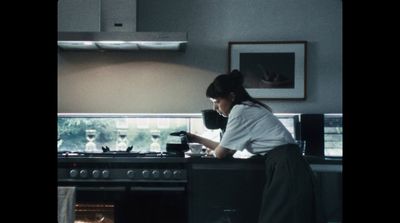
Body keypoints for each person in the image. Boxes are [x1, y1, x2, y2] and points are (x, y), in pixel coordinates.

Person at [187, 69, 325, 223]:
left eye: (217, 102)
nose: (215, 108)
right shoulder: (248, 107)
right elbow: (227, 148)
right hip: (287, 163)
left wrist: (211, 153)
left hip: (285, 165)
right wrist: (195, 138)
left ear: (231, 96)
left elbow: (220, 153)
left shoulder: (239, 111)